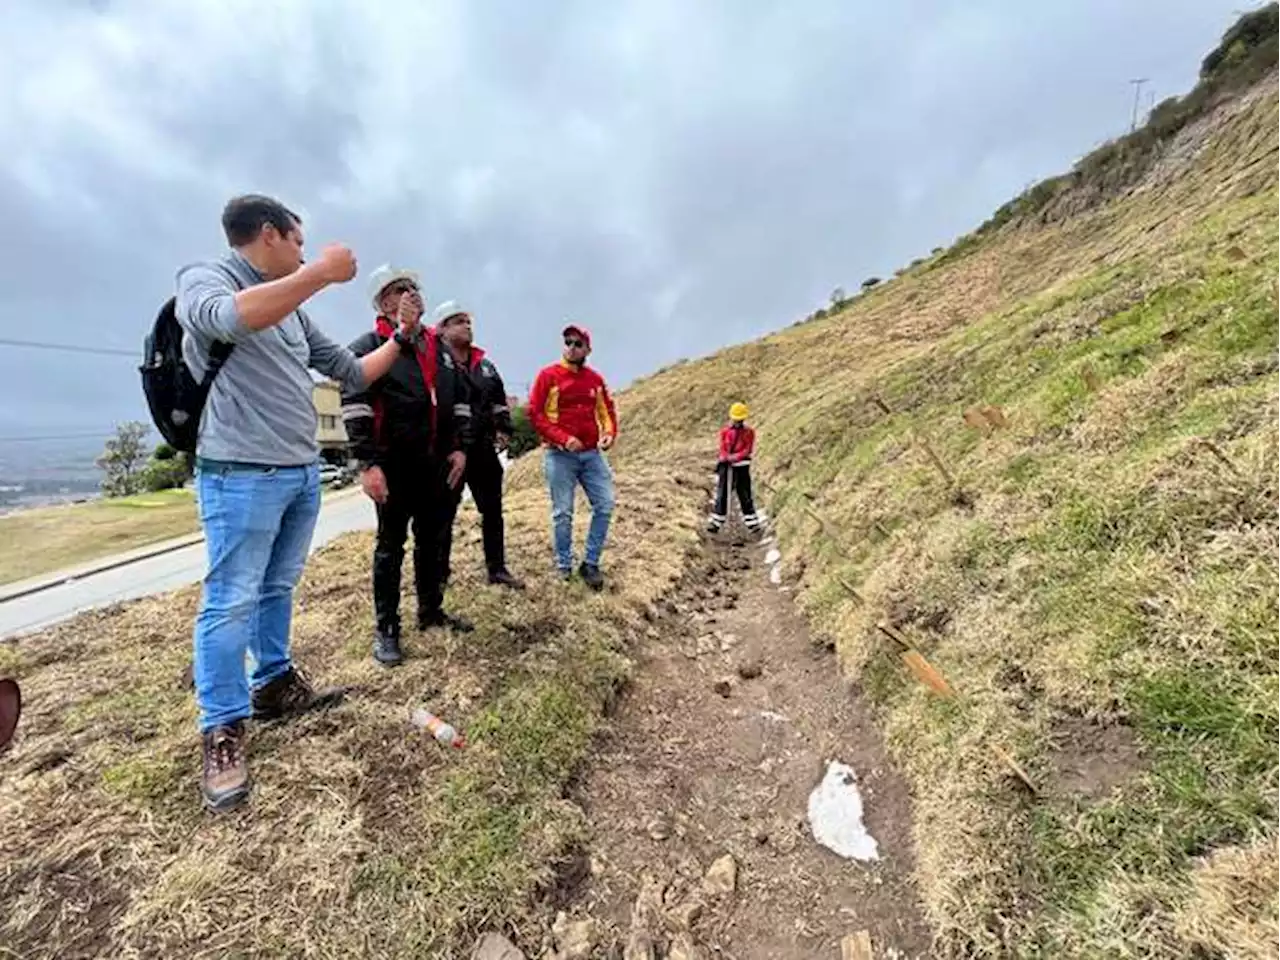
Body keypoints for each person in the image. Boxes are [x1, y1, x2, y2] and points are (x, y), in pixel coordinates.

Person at [176, 194, 417, 812]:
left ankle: (274, 683)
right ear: (269, 234)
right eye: (299, 243)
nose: (305, 253)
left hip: (297, 472)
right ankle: (223, 729)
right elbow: (228, 320)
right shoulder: (207, 279)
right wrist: (321, 274)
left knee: (277, 587)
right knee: (230, 600)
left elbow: (350, 371)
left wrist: (403, 337)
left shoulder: (293, 312)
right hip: (238, 473)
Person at [341, 267, 474, 670]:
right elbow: (355, 405)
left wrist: (459, 448)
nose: (411, 293)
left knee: (432, 540)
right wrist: (367, 463)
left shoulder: (440, 348)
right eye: (400, 290)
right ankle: (387, 628)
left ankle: (431, 610)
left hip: (435, 464)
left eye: (414, 287)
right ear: (383, 303)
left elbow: (459, 401)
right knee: (390, 546)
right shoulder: (369, 346)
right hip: (393, 464)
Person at [433, 301, 525, 590]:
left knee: (493, 510)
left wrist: (504, 428)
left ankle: (496, 569)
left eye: (468, 320)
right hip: (449, 451)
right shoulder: (435, 362)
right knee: (443, 514)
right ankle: (439, 573)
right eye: (458, 321)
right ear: (442, 329)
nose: (466, 325)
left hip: (483, 449)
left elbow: (498, 401)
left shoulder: (485, 365)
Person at [528, 323, 618, 590]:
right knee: (563, 512)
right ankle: (564, 565)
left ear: (588, 349)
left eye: (578, 343)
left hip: (591, 454)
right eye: (567, 341)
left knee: (605, 504)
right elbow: (535, 413)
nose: (571, 347)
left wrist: (609, 435)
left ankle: (590, 562)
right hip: (559, 455)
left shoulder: (595, 380)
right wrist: (562, 439)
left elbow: (606, 411)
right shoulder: (548, 375)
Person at [707, 402, 762, 534]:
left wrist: (736, 457)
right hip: (727, 467)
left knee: (744, 494)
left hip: (742, 467)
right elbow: (723, 448)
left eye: (740, 419)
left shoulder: (749, 432)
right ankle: (717, 522)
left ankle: (752, 522)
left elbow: (748, 449)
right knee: (722, 493)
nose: (738, 421)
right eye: (736, 419)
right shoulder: (725, 432)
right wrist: (726, 457)